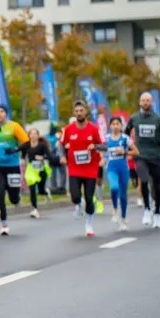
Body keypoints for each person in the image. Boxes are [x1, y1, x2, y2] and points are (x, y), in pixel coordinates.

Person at [127, 92, 160, 229]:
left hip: (156, 157)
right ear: (140, 102)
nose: (145, 102)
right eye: (143, 100)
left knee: (157, 187)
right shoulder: (134, 118)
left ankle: (157, 213)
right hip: (140, 156)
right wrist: (128, 149)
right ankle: (147, 209)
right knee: (144, 180)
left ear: (152, 103)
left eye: (148, 100)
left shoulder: (159, 119)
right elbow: (125, 133)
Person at [62, 100, 104, 237]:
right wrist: (63, 156)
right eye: (77, 111)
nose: (79, 113)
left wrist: (95, 147)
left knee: (89, 196)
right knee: (75, 196)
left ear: (86, 112)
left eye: (81, 111)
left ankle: (89, 224)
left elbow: (103, 145)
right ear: (74, 113)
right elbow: (62, 144)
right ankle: (78, 204)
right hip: (74, 167)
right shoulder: (68, 129)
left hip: (90, 169)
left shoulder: (93, 129)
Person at [0, 105, 28, 235]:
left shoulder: (14, 126)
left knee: (13, 199)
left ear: (6, 114)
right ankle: (4, 224)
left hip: (12, 165)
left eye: (2, 111)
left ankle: (17, 197)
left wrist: (15, 149)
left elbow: (26, 142)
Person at [104, 116, 137, 232]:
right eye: (113, 124)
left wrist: (125, 151)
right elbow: (100, 149)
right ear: (110, 126)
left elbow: (136, 151)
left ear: (121, 126)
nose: (115, 126)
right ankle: (114, 209)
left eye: (118, 124)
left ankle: (123, 219)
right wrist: (101, 157)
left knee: (123, 194)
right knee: (114, 187)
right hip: (111, 168)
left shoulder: (125, 138)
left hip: (123, 168)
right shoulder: (106, 138)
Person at [22, 128, 52, 219]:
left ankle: (46, 192)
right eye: (31, 134)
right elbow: (20, 151)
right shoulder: (27, 145)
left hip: (41, 170)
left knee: (41, 190)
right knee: (32, 189)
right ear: (29, 135)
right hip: (31, 170)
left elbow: (49, 156)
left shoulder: (42, 145)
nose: (33, 136)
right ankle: (34, 209)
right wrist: (11, 150)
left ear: (38, 136)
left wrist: (42, 157)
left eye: (35, 134)